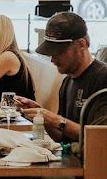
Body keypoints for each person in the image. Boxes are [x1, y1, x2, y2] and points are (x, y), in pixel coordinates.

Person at [18, 12, 107, 144]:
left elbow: (99, 137)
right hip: (69, 155)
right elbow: (61, 137)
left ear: (82, 45)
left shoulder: (103, 78)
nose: (53, 59)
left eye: (59, 52)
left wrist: (56, 120)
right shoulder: (67, 82)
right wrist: (42, 117)